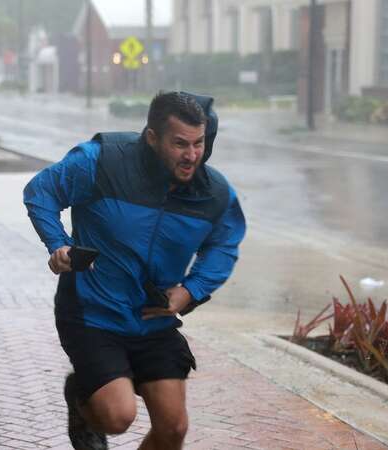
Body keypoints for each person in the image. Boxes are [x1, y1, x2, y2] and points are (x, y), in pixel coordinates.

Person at [23, 91, 246, 449]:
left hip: (152, 317)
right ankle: (82, 403)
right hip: (93, 312)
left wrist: (191, 290)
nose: (191, 156)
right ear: (152, 137)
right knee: (117, 416)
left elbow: (223, 242)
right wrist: (58, 243)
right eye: (179, 144)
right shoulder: (102, 161)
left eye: (199, 144)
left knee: (173, 429)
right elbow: (41, 191)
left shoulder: (214, 193)